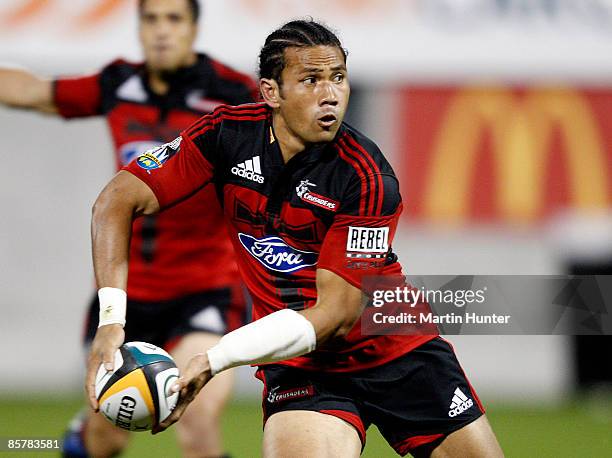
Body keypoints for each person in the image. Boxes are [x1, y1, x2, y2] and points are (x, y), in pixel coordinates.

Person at [86, 19, 505, 457]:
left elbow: (337, 315)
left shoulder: (365, 176)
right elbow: (115, 201)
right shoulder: (227, 135)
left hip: (398, 352)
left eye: (338, 78)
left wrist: (216, 357)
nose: (331, 94)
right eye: (311, 80)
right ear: (271, 92)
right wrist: (112, 319)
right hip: (302, 368)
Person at [0, 1, 257, 457]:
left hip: (206, 288)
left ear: (194, 28)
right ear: (139, 28)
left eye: (174, 19)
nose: (162, 30)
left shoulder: (233, 94)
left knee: (196, 414)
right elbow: (33, 90)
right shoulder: (119, 84)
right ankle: (85, 438)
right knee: (107, 436)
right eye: (151, 19)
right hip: (126, 293)